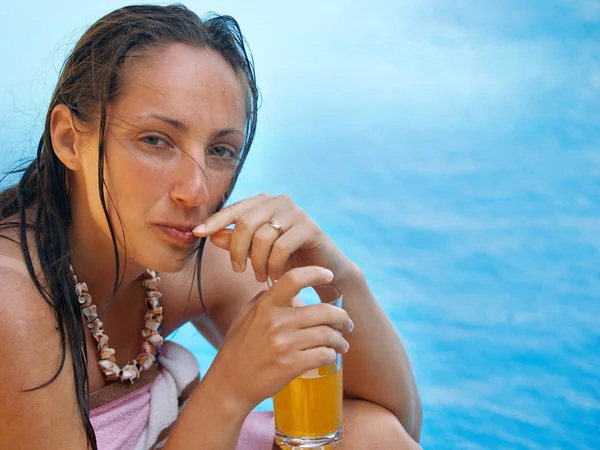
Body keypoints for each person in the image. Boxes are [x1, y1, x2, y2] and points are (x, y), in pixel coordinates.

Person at [0, 4, 422, 449]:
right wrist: (229, 389)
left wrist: (337, 272)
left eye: (220, 150)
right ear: (69, 139)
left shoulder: (194, 261)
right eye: (155, 140)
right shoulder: (15, 306)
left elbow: (395, 425)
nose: (195, 191)